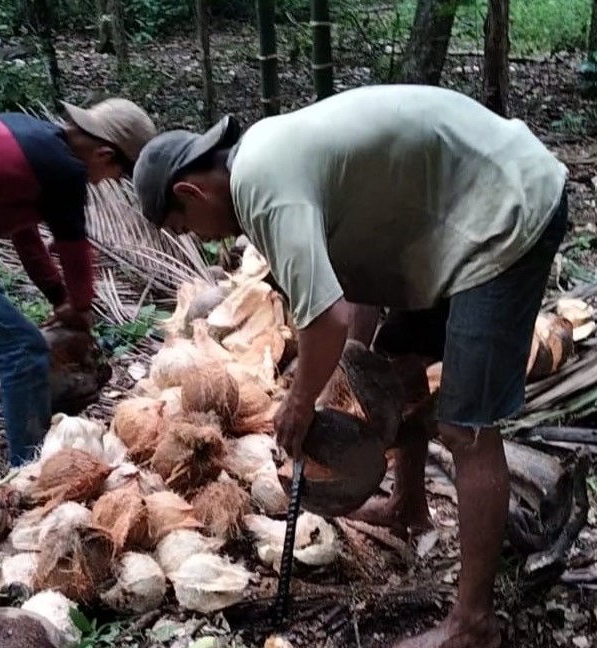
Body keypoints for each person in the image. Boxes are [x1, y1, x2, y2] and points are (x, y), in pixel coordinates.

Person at [131, 84, 569, 648]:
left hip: (504, 211)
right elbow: (351, 295)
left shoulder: (262, 187)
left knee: (468, 428)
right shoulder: (269, 159)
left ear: (191, 191)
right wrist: (358, 368)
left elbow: (328, 318)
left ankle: (473, 624)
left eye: (187, 225)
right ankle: (410, 508)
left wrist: (301, 401)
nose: (201, 238)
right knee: (393, 369)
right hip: (450, 213)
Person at [0, 98, 156, 467]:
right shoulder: (63, 169)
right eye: (116, 175)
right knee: (23, 350)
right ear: (105, 154)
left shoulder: (34, 141)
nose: (106, 182)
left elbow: (24, 235)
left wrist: (60, 298)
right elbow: (75, 248)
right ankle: (28, 466)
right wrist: (82, 308)